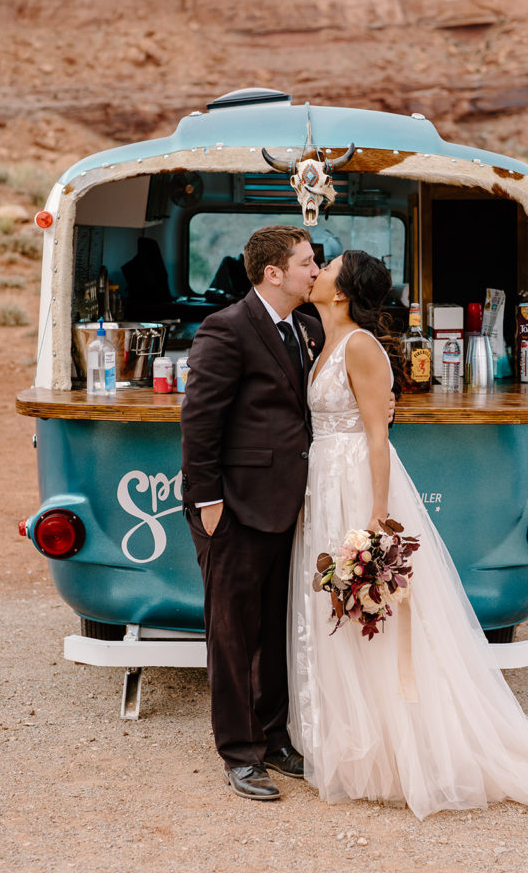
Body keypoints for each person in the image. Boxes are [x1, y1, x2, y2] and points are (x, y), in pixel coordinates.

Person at [288, 249, 528, 819]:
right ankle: (347, 739)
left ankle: (390, 748)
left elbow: (377, 437)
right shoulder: (321, 336)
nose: (318, 270)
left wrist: (377, 517)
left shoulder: (360, 345)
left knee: (371, 612)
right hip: (323, 479)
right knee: (334, 609)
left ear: (342, 290)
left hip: (355, 480)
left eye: (327, 266)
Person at [181, 225, 322, 800]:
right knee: (232, 635)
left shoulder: (308, 328)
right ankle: (239, 754)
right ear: (274, 273)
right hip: (233, 507)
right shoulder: (227, 328)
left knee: (276, 628)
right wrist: (208, 502)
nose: (316, 272)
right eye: (308, 263)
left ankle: (273, 736)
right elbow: (200, 420)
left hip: (288, 505)